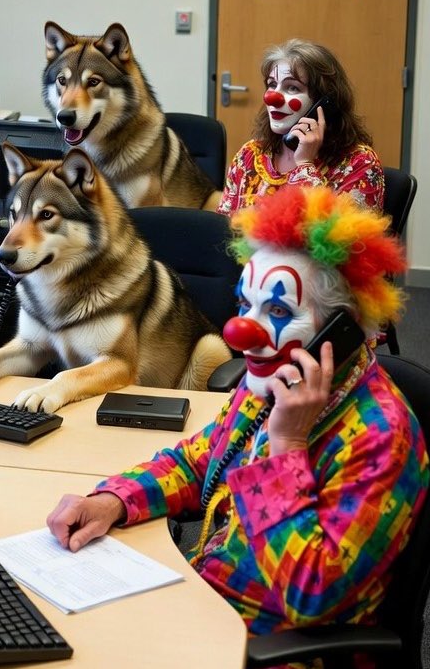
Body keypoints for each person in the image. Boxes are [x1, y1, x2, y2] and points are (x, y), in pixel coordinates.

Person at [47, 184, 428, 642]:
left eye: (279, 309)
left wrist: (285, 446)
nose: (243, 329)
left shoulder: (380, 436)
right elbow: (199, 460)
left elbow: (309, 597)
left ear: (339, 326)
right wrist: (114, 501)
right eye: (247, 304)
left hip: (273, 645)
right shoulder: (272, 380)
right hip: (207, 598)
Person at [217, 39, 384, 216]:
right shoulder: (249, 155)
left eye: (292, 88)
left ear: (324, 102)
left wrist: (305, 165)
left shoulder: (360, 162)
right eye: (272, 84)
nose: (273, 97)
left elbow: (340, 240)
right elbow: (222, 227)